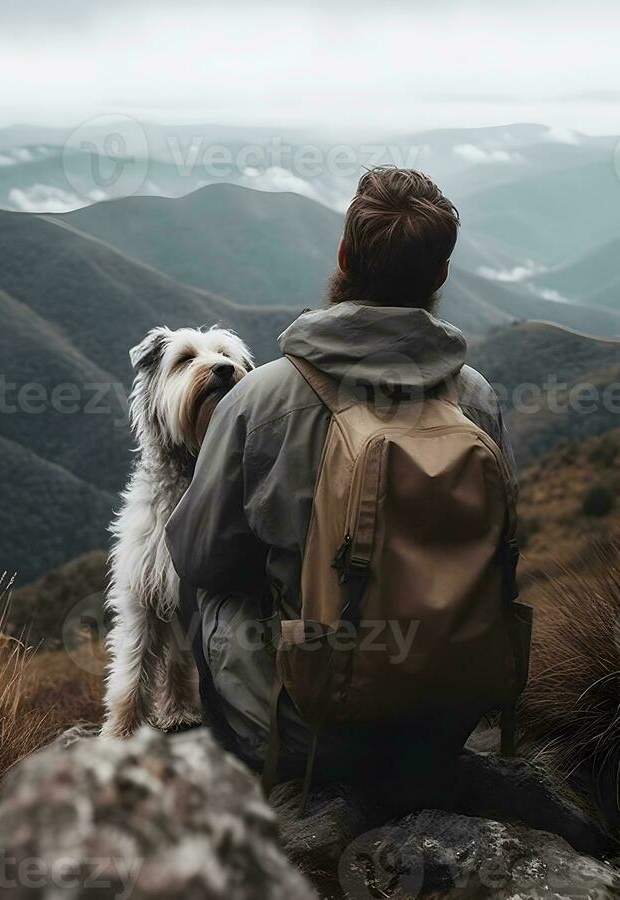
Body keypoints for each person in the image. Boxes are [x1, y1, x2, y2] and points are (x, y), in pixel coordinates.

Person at [166, 168, 517, 804]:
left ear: (343, 256)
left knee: (203, 589)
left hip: (310, 733)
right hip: (446, 718)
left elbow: (197, 558)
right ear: (439, 276)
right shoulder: (476, 399)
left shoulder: (262, 398)